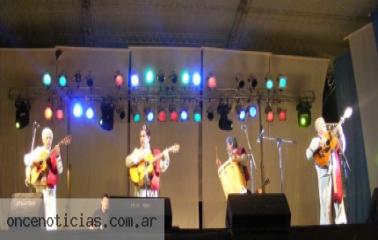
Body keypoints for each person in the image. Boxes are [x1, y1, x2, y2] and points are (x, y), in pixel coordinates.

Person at [306, 117, 347, 225]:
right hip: (324, 175)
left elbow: (342, 148)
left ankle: (342, 226)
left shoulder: (332, 137)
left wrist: (341, 134)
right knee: (326, 205)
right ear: (317, 128)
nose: (323, 125)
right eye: (320, 124)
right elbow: (307, 155)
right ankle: (326, 229)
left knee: (339, 202)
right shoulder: (315, 140)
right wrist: (318, 145)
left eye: (324, 123)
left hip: (335, 172)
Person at [24, 127, 64, 230]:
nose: (49, 140)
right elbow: (27, 160)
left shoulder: (54, 153)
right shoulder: (39, 151)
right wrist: (29, 174)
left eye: (50, 137)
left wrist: (58, 156)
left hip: (51, 188)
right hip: (41, 187)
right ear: (42, 139)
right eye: (47, 137)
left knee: (51, 215)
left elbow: (60, 170)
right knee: (41, 213)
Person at [125, 125, 176, 197]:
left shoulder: (155, 153)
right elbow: (127, 162)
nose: (142, 138)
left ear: (148, 138)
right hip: (140, 190)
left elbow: (163, 167)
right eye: (140, 136)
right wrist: (141, 157)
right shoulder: (137, 151)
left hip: (152, 191)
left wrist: (166, 155)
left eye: (144, 136)